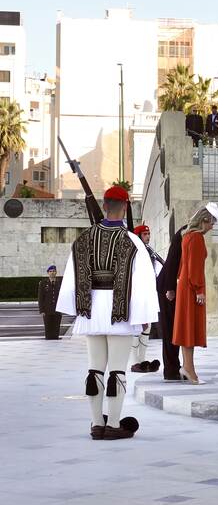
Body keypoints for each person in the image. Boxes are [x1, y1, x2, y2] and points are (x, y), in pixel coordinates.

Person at [56, 185, 159, 440]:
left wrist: (76, 309)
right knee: (117, 369)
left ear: (104, 206)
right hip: (119, 313)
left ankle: (95, 423)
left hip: (91, 311)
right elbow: (143, 282)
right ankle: (112, 424)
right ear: (125, 208)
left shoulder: (83, 239)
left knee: (94, 369)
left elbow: (71, 278)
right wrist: (143, 315)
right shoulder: (133, 241)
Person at [172, 203, 218, 384]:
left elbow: (183, 265)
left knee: (188, 329)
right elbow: (194, 267)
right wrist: (199, 289)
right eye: (212, 222)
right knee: (189, 328)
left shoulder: (187, 236)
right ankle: (189, 370)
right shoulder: (196, 238)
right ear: (204, 220)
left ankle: (188, 367)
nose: (212, 226)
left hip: (185, 285)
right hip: (191, 288)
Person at [129, 224, 164, 374]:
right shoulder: (134, 251)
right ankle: (134, 361)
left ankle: (142, 360)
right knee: (137, 326)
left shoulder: (149, 251)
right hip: (137, 292)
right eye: (145, 234)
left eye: (148, 234)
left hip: (149, 292)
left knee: (147, 326)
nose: (148, 237)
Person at [157, 223, 186, 381]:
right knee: (169, 329)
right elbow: (172, 262)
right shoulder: (184, 236)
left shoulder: (185, 234)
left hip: (170, 284)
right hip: (167, 287)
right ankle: (170, 369)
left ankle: (174, 367)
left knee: (173, 328)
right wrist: (170, 289)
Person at [38, 265, 63, 340]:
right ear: (48, 273)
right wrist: (41, 310)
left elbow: (63, 296)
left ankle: (56, 338)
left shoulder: (60, 283)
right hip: (47, 309)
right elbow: (40, 297)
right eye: (50, 271)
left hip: (58, 308)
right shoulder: (43, 283)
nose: (52, 273)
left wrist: (63, 308)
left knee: (56, 325)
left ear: (56, 272)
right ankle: (48, 338)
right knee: (48, 325)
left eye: (54, 271)